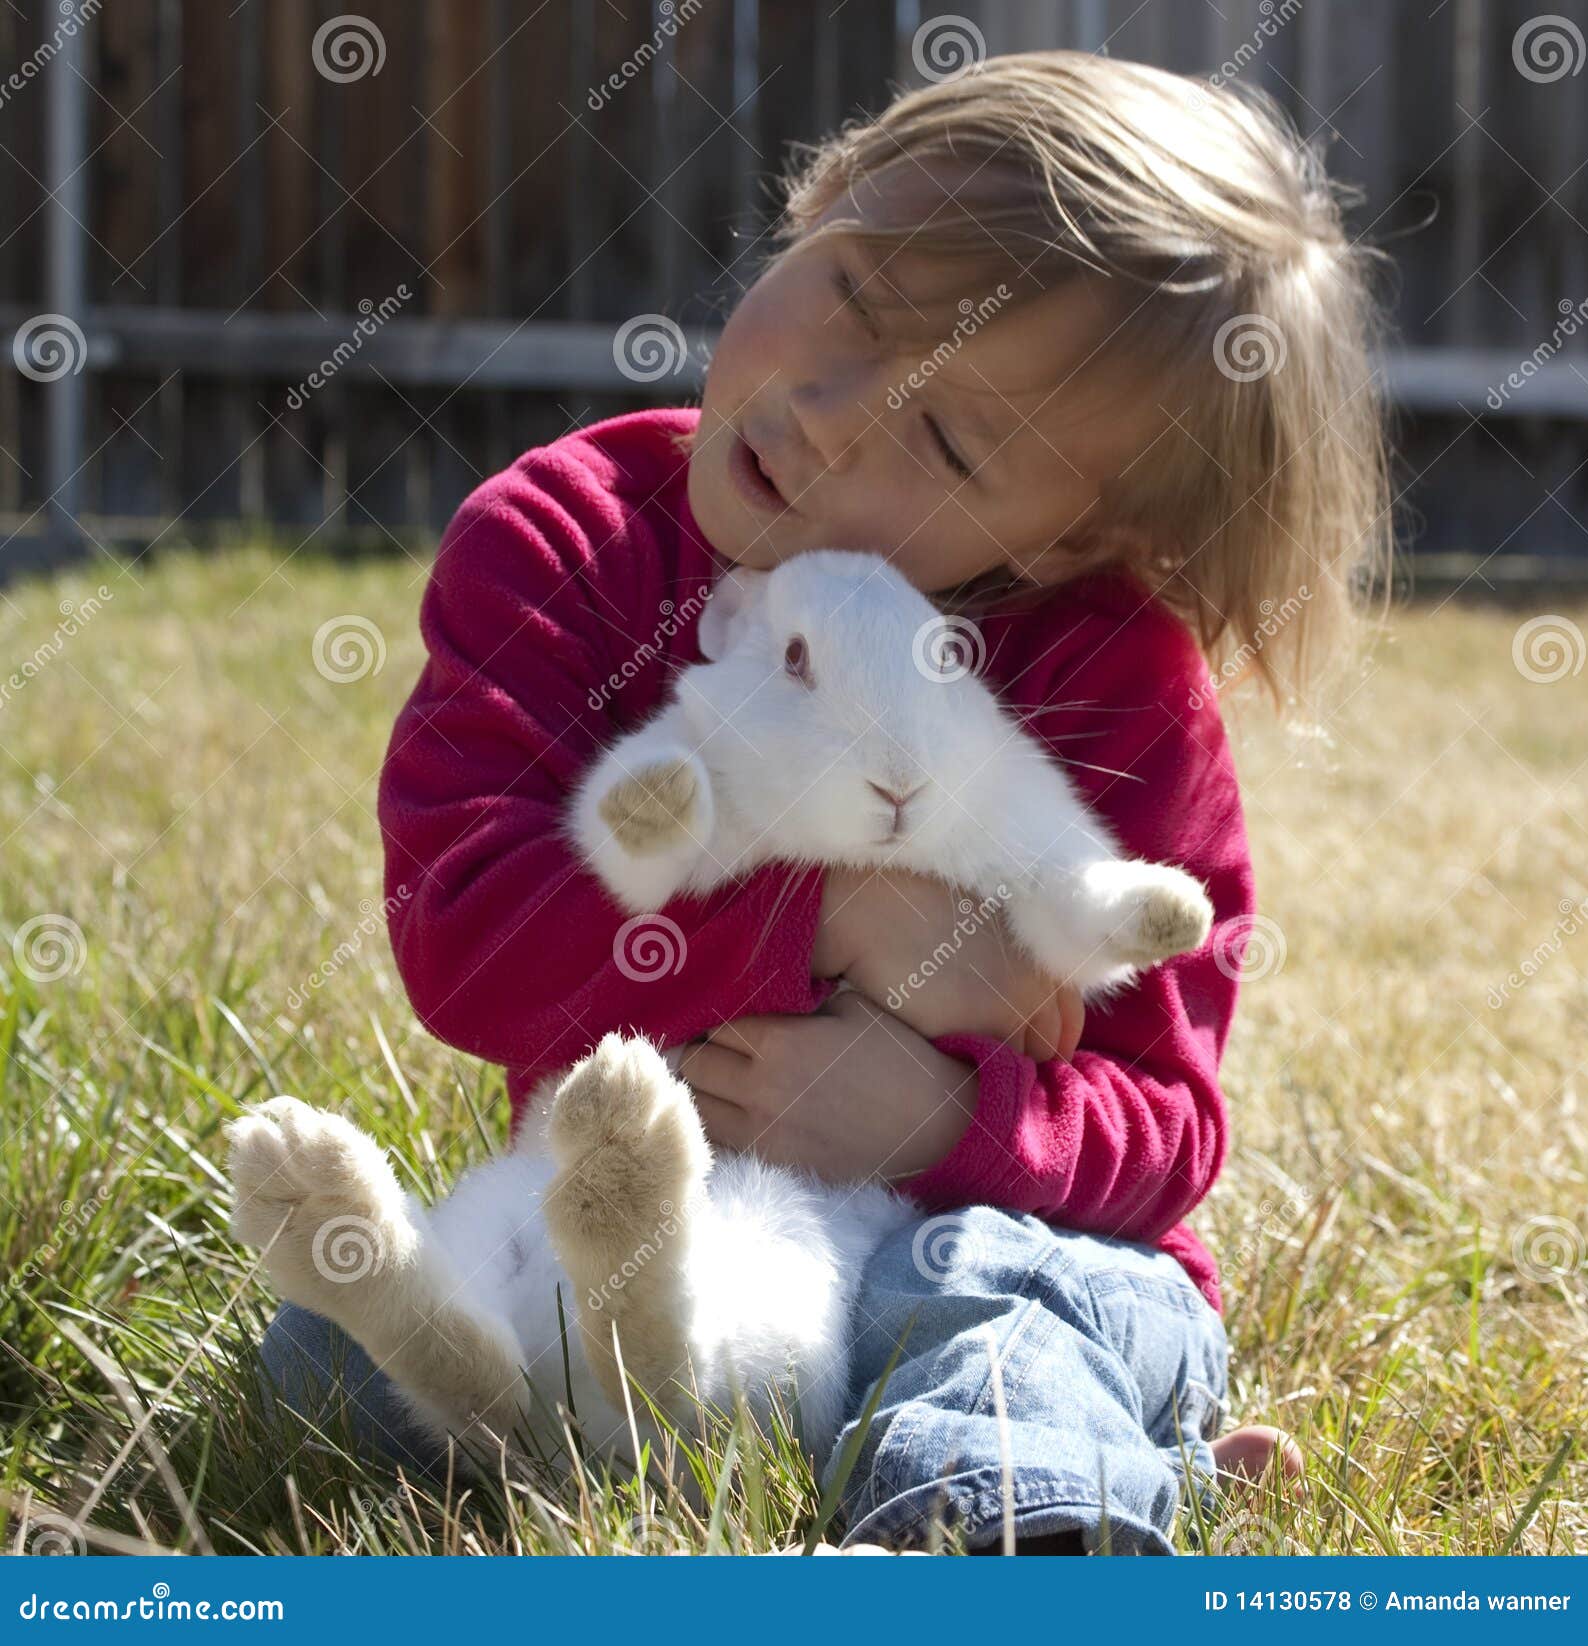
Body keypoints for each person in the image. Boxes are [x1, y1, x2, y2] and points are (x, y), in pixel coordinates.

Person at [259, 50, 1389, 1553]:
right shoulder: (566, 547)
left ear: (1074, 534)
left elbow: (1166, 1126)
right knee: (331, 1359)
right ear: (825, 195)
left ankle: (1008, 1520)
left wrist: (942, 1115)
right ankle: (1113, 1454)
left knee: (1001, 1308)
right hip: (669, 1255)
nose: (835, 410)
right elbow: (471, 933)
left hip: (983, 1243)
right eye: (857, 293)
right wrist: (830, 918)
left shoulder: (1117, 690)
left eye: (951, 440)